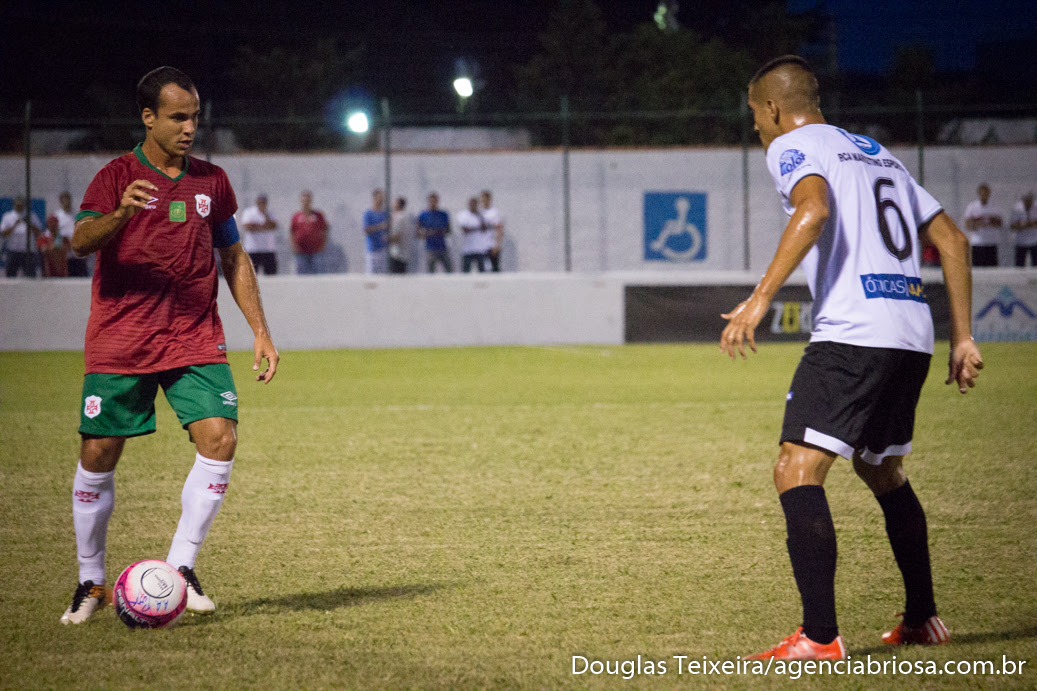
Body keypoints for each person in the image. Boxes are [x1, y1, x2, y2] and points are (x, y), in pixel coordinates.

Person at [720, 56, 983, 660]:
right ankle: (922, 619)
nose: (756, 128)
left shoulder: (790, 146)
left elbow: (813, 211)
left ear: (774, 109)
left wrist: (760, 299)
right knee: (882, 470)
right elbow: (953, 241)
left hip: (854, 332)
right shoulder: (877, 152)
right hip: (911, 332)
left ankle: (818, 637)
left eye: (755, 115)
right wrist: (963, 337)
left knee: (796, 468)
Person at [60, 66, 279, 625]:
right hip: (122, 338)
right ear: (148, 117)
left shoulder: (212, 181)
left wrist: (259, 329)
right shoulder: (115, 176)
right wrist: (120, 214)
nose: (189, 128)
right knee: (99, 454)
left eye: (195, 117)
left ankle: (180, 567)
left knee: (220, 438)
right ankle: (90, 580)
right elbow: (80, 242)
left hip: (194, 336)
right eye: (178, 117)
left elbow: (232, 256)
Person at [1, 195, 44, 277]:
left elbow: (39, 232)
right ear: (14, 205)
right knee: (10, 275)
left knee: (30, 276)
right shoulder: (8, 216)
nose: (19, 207)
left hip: (27, 252)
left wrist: (29, 223)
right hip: (13, 251)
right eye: (18, 205)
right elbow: (3, 233)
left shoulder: (31, 216)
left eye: (21, 205)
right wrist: (14, 225)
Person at [963, 183, 1004, 267]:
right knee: (978, 269)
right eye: (982, 193)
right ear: (979, 193)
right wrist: (977, 224)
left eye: (986, 193)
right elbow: (967, 225)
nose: (984, 195)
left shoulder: (994, 207)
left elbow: (1000, 223)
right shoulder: (972, 207)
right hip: (977, 243)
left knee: (992, 268)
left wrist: (991, 222)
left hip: (991, 242)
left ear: (989, 193)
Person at [290, 190, 327, 275]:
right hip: (301, 251)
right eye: (304, 201)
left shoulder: (318, 215)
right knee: (302, 276)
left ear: (311, 201)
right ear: (301, 201)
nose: (306, 203)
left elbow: (324, 230)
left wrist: (323, 245)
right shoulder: (296, 216)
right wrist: (294, 246)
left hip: (316, 251)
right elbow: (292, 232)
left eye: (308, 200)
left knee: (318, 275)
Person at [240, 194, 279, 275]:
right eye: (260, 202)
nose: (262, 204)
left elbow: (273, 226)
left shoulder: (270, 213)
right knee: (251, 275)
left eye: (264, 202)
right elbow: (248, 226)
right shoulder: (249, 212)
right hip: (253, 249)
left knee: (271, 273)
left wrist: (265, 216)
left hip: (268, 249)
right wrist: (263, 227)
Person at [54, 191, 90, 276]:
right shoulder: (57, 216)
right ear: (61, 201)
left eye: (68, 199)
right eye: (64, 200)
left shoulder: (77, 215)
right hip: (66, 255)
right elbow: (53, 234)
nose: (67, 202)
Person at [417, 192, 452, 273]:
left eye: (435, 201)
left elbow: (448, 230)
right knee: (430, 271)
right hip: (430, 248)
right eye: (431, 201)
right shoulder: (423, 215)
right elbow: (418, 233)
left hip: (442, 247)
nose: (433, 203)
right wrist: (429, 233)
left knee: (449, 269)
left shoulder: (443, 214)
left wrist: (439, 231)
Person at [457, 196, 489, 272]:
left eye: (475, 204)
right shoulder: (463, 215)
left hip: (479, 249)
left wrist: (479, 221)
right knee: (466, 271)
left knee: (482, 270)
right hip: (467, 249)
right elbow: (465, 229)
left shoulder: (481, 215)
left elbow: (485, 228)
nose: (473, 206)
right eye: (471, 204)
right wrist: (478, 228)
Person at [362, 188, 390, 274]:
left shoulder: (385, 214)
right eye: (379, 197)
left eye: (383, 198)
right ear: (374, 198)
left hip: (383, 250)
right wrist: (380, 227)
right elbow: (366, 230)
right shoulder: (368, 214)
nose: (381, 200)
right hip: (372, 251)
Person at [388, 196, 414, 274]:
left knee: (395, 279)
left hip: (397, 254)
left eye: (394, 203)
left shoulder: (399, 218)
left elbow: (396, 237)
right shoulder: (406, 217)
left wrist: (386, 239)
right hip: (405, 254)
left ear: (398, 205)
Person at [1010, 191, 1037, 267]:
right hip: (1021, 241)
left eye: (1029, 201)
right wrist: (1021, 225)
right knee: (1019, 265)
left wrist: (1029, 224)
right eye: (1026, 201)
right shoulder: (1017, 208)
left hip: (1034, 240)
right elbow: (1012, 226)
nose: (1028, 203)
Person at [480, 190, 505, 272]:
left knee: (494, 269)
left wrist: (497, 245)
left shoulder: (494, 212)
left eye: (485, 199)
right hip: (481, 246)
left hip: (491, 245)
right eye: (482, 199)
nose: (483, 201)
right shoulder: (480, 213)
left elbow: (499, 229)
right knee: (482, 269)